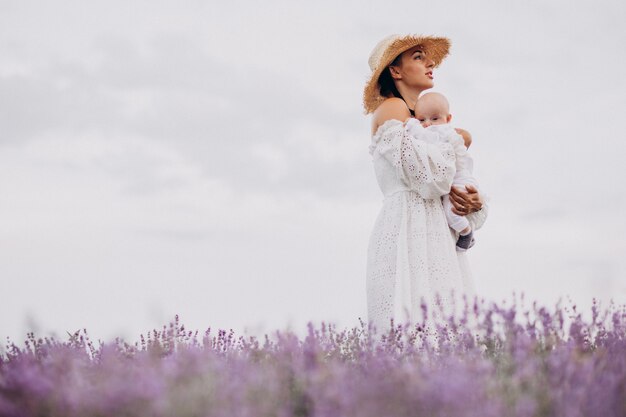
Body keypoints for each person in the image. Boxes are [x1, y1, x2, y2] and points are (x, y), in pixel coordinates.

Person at [363, 34, 489, 336]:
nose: (430, 63)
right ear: (396, 71)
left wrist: (473, 201)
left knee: (445, 331)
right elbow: (431, 177)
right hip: (406, 229)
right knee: (410, 331)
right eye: (418, 57)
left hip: (436, 235)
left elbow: (452, 183)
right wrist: (458, 139)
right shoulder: (392, 109)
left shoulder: (428, 123)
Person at [407, 91, 480, 252]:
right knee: (452, 211)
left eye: (434, 119)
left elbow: (426, 138)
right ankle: (466, 233)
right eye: (422, 120)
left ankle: (467, 234)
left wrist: (412, 125)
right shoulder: (440, 131)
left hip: (461, 182)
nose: (428, 124)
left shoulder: (442, 132)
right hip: (459, 181)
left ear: (448, 119)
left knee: (452, 212)